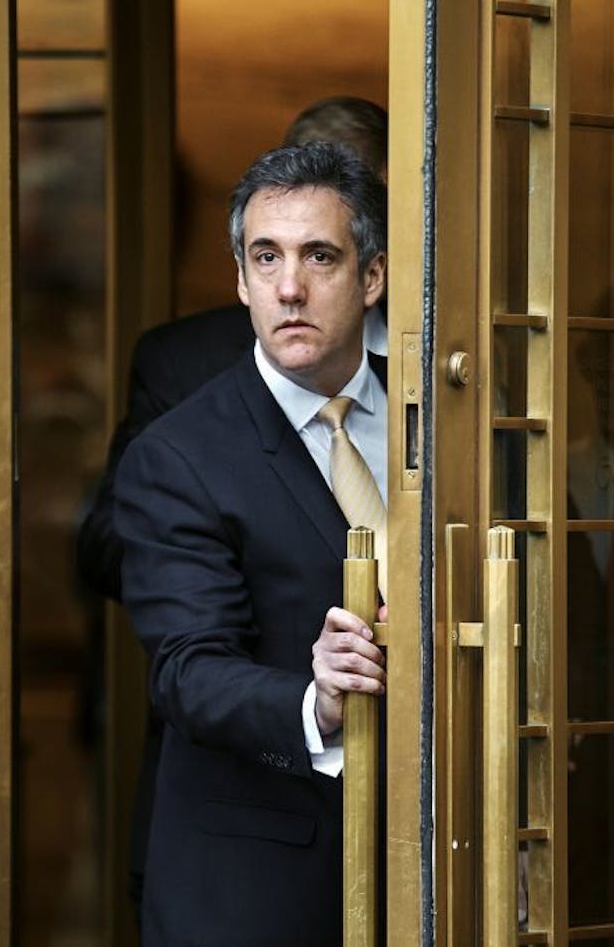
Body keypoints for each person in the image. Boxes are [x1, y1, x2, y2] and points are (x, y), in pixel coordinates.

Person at [74, 97, 388, 917]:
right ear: (240, 279)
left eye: (320, 256)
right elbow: (186, 667)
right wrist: (314, 700)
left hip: (444, 869)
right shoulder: (178, 455)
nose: (291, 287)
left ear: (373, 275)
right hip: (258, 887)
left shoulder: (441, 420)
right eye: (266, 258)